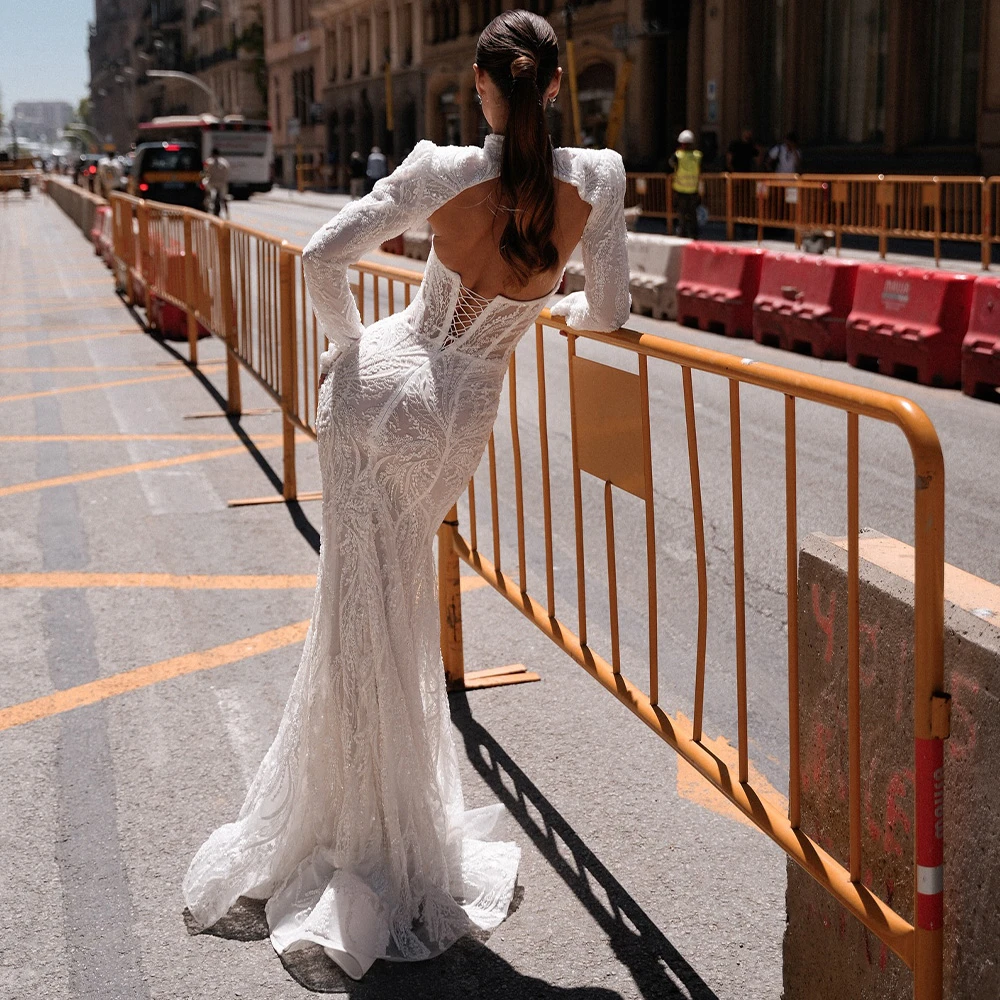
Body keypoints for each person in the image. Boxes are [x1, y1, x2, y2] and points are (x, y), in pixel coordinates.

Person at [182, 8, 629, 983]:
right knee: (393, 621)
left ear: (481, 86)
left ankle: (340, 836)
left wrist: (351, 349)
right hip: (455, 404)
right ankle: (387, 851)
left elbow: (319, 259)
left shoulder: (437, 168)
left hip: (374, 377)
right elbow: (610, 310)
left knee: (350, 617)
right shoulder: (594, 181)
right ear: (552, 87)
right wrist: (549, 310)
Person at [670, 129, 702, 238]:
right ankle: (694, 235)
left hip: (681, 190)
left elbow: (670, 164)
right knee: (692, 214)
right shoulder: (697, 155)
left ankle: (682, 234)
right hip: (693, 190)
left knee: (682, 214)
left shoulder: (678, 155)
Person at [204, 147, 231, 217]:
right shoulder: (224, 162)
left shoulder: (208, 162)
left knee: (207, 195)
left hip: (211, 183)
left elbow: (205, 173)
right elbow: (227, 173)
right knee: (224, 199)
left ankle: (206, 211)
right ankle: (227, 215)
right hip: (222, 183)